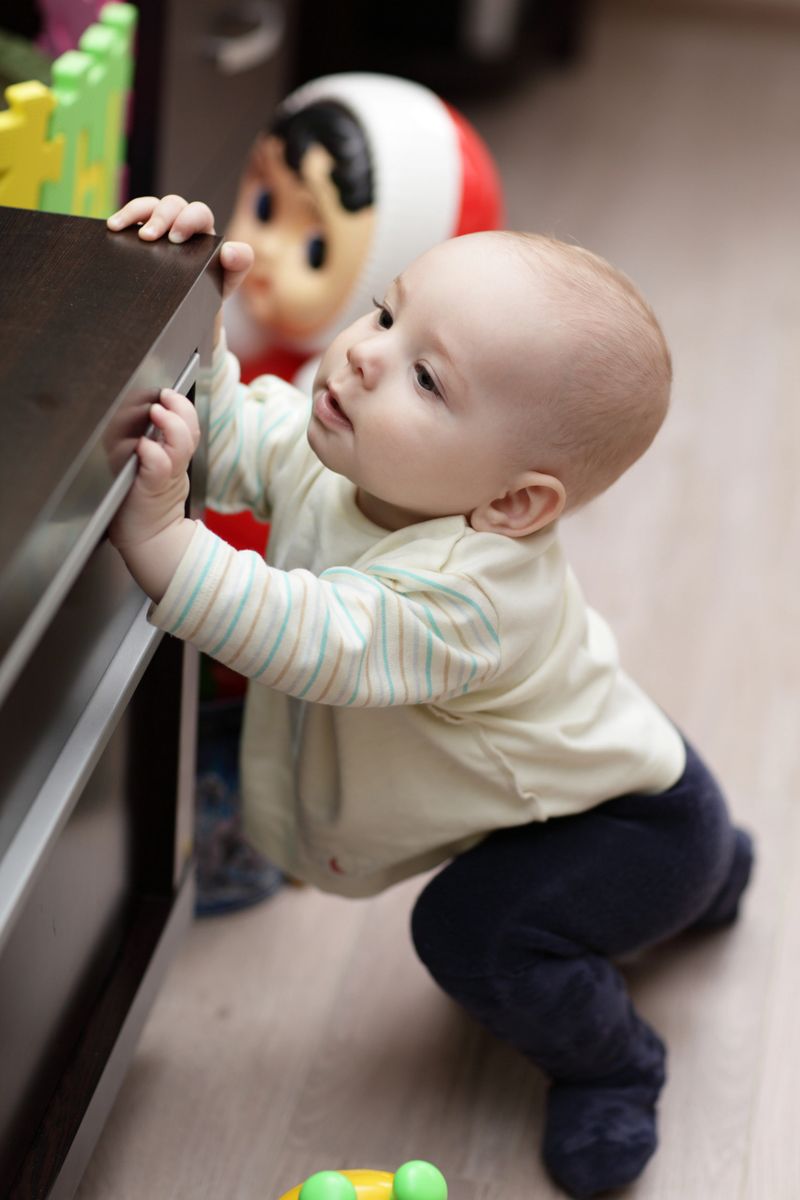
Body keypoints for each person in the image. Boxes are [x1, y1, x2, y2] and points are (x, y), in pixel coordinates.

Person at [106, 194, 754, 1199]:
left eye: (422, 376)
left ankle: (614, 1061)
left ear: (509, 503)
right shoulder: (365, 462)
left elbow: (317, 639)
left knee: (473, 933)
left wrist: (162, 546)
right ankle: (715, 877)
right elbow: (231, 438)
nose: (362, 355)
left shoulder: (471, 601)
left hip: (621, 825)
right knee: (656, 855)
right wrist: (192, 304)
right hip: (597, 774)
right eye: (383, 312)